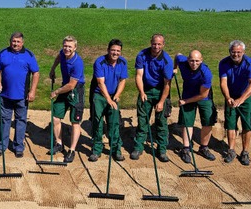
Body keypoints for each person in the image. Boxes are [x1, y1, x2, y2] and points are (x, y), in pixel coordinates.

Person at [0, 32, 40, 158]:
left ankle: (18, 146)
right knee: (4, 120)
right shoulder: (3, 53)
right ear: (10, 41)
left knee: (21, 120)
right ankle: (2, 145)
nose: (15, 44)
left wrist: (32, 91)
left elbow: (36, 73)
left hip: (22, 96)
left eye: (18, 42)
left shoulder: (29, 55)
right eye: (13, 41)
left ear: (22, 42)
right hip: (5, 95)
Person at [131, 33, 173, 162]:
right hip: (146, 90)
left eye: (159, 44)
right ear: (151, 42)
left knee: (161, 122)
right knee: (143, 120)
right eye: (154, 43)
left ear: (163, 45)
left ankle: (161, 150)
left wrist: (161, 102)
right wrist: (142, 92)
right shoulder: (142, 55)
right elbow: (139, 75)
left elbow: (167, 84)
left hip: (161, 91)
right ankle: (138, 147)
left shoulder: (167, 60)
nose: (156, 46)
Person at [219, 40, 251, 166]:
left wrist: (241, 100)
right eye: (233, 52)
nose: (236, 54)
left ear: (243, 52)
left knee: (247, 125)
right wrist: (228, 97)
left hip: (245, 97)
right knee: (230, 124)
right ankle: (231, 150)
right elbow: (223, 82)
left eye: (238, 52)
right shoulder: (224, 63)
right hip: (231, 96)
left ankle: (245, 152)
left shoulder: (250, 63)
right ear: (229, 51)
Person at [174, 50, 217, 163]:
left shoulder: (206, 73)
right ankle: (186, 149)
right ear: (188, 60)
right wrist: (175, 68)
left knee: (208, 120)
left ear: (201, 61)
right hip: (188, 93)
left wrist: (186, 101)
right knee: (187, 121)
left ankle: (204, 148)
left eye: (197, 61)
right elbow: (177, 55)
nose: (194, 63)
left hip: (204, 97)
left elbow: (203, 94)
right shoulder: (182, 62)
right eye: (192, 61)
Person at [89, 39, 128, 162]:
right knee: (98, 122)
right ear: (108, 50)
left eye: (118, 51)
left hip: (113, 95)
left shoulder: (123, 62)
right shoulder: (100, 62)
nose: (115, 53)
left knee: (114, 123)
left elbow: (122, 80)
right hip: (99, 96)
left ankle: (116, 150)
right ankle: (96, 150)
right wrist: (108, 99)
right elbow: (100, 83)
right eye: (113, 50)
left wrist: (117, 95)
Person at [48, 36, 85, 163]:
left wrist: (56, 92)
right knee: (55, 117)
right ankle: (59, 143)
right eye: (65, 46)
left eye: (70, 47)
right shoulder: (62, 53)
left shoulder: (77, 63)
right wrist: (53, 69)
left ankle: (72, 150)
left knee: (75, 121)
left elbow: (71, 85)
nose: (67, 49)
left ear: (75, 47)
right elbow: (59, 57)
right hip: (65, 87)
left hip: (75, 90)